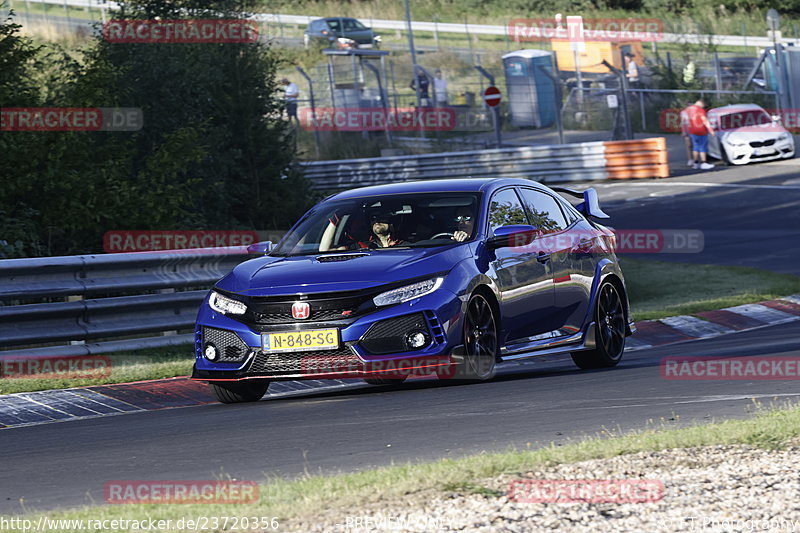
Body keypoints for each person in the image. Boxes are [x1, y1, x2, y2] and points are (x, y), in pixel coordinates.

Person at [684, 99, 716, 170]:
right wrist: (711, 130)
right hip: (701, 130)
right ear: (702, 104)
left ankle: (695, 163)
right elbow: (705, 120)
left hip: (692, 131)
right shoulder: (701, 110)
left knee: (695, 147)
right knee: (702, 147)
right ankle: (703, 162)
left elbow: (686, 121)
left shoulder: (689, 110)